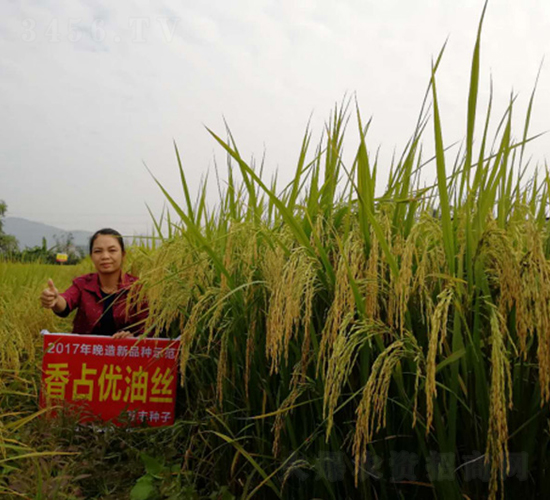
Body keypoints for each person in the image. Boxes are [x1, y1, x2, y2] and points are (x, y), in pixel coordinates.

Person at [40, 228, 148, 338]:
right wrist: (55, 300)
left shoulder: (137, 288)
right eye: (98, 251)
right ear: (91, 256)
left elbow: (148, 328)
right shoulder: (83, 284)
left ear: (123, 255)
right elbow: (66, 301)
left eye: (112, 250)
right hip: (85, 352)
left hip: (126, 353)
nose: (105, 256)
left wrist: (133, 339)